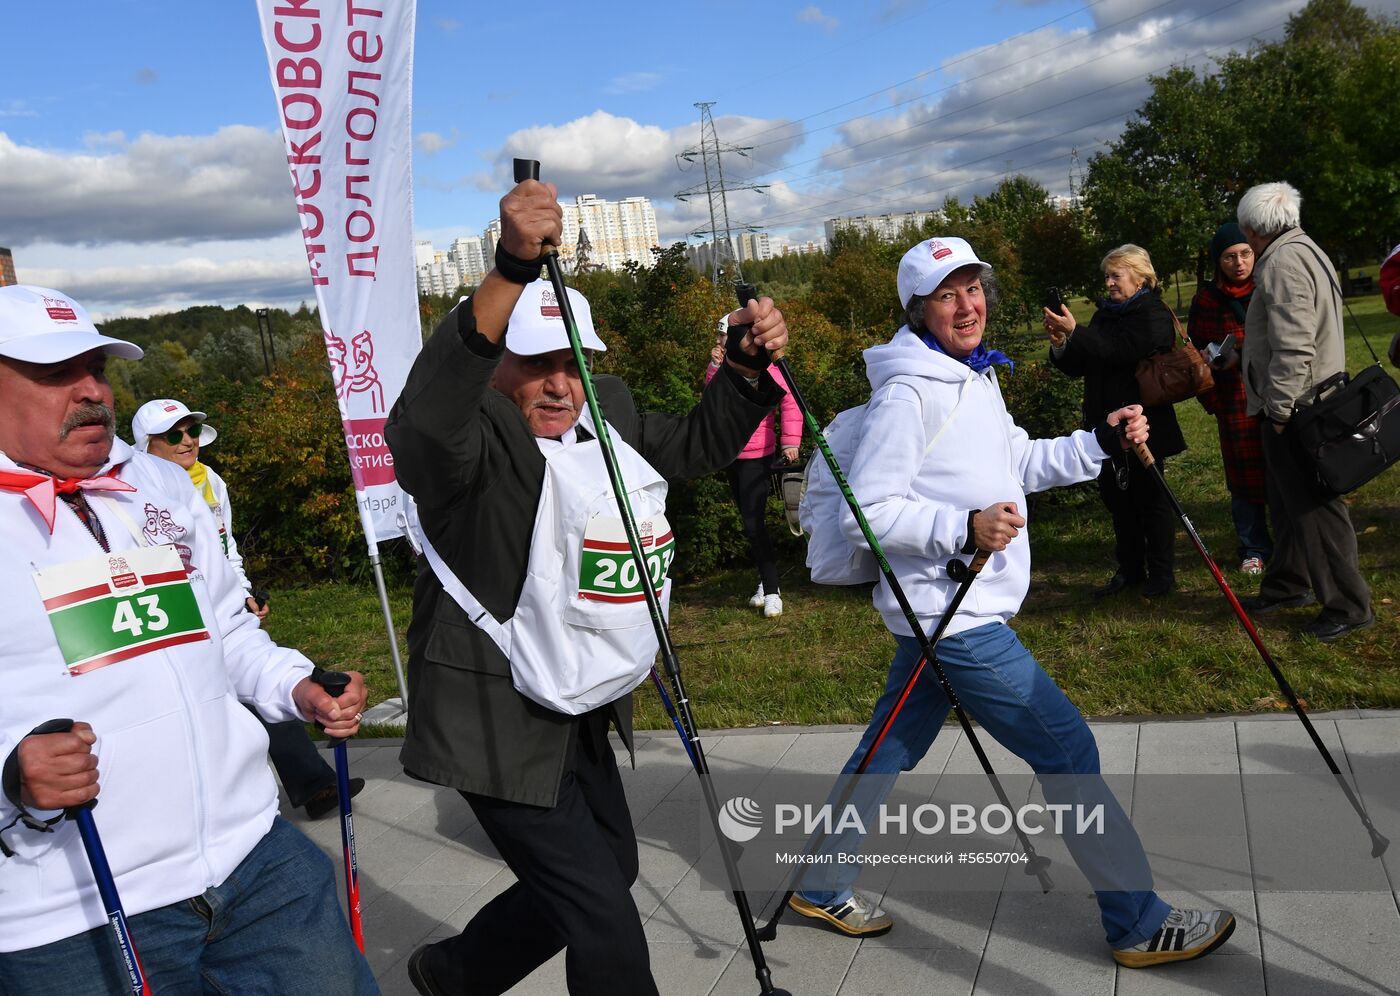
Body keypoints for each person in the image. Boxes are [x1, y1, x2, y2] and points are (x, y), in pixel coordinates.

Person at [384, 176, 791, 996]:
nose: (560, 385)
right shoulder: (468, 441)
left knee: (608, 865)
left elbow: (686, 449)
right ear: (497, 367)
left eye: (573, 363)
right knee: (604, 911)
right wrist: (507, 268)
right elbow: (425, 418)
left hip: (578, 702)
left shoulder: (602, 410)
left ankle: (456, 973)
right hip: (493, 718)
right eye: (535, 365)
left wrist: (745, 371)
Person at [790, 238, 1234, 969]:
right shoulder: (909, 393)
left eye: (973, 289)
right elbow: (862, 515)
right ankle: (1137, 921)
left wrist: (1100, 440)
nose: (967, 306)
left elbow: (1017, 462)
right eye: (946, 294)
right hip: (956, 618)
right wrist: (961, 529)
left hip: (940, 614)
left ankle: (822, 880)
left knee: (887, 748)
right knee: (1068, 747)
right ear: (918, 308)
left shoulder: (969, 376)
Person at [0, 284, 375, 992]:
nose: (90, 393)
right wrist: (10, 775)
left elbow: (224, 628)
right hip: (67, 915)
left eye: (98, 370)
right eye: (55, 375)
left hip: (255, 859)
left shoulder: (153, 483)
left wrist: (292, 685)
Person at [131, 397, 365, 820]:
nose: (187, 441)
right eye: (173, 434)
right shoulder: (128, 494)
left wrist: (241, 592)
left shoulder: (210, 481)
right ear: (145, 445)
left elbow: (225, 548)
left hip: (222, 613)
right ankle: (297, 788)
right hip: (168, 621)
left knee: (256, 683)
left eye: (192, 431)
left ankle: (309, 785)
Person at [1236, 182, 1373, 641]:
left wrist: (1278, 410)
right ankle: (1288, 584)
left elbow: (1295, 346)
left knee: (1315, 508)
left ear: (1255, 228)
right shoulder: (1304, 248)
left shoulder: (1283, 262)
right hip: (1304, 399)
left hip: (1298, 405)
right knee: (1287, 500)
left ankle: (1347, 605)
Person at [1045, 244, 1186, 598]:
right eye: (1106, 276)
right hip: (1104, 423)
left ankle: (1162, 574)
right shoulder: (1105, 315)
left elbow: (1120, 351)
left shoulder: (1151, 312)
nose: (1108, 283)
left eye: (1116, 275)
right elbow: (1084, 363)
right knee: (1117, 500)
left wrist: (1078, 332)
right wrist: (1063, 343)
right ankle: (1130, 569)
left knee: (1151, 499)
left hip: (1142, 422)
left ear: (1140, 277)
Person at [1187, 223, 1273, 575]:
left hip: (1273, 391)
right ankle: (1253, 546)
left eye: (1245, 254)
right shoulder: (1207, 299)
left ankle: (1290, 541)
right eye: (1229, 257)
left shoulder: (1269, 286)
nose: (1239, 263)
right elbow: (1197, 349)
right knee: (1243, 476)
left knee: (1282, 470)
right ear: (1217, 261)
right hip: (1234, 398)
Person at [705, 331, 802, 616]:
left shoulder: (768, 366)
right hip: (731, 453)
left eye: (725, 337)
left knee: (753, 523)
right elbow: (712, 401)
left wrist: (790, 442)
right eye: (720, 337)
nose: (721, 342)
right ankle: (766, 582)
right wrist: (713, 368)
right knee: (751, 523)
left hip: (757, 454)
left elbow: (790, 402)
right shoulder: (723, 368)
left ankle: (772, 591)